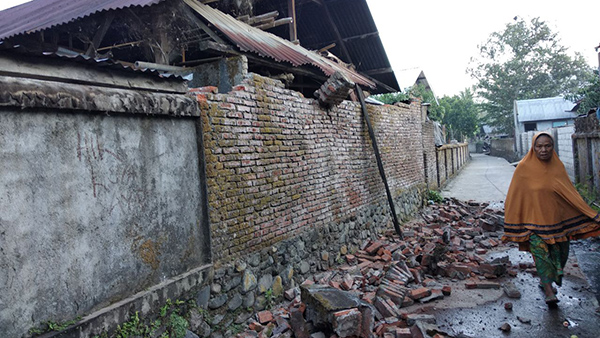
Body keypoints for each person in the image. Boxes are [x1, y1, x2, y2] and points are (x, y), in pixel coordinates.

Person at [502, 131, 600, 305]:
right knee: (541, 255)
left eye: (548, 146)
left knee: (561, 255)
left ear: (553, 147)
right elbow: (514, 197)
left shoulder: (558, 167)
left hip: (557, 225)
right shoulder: (523, 168)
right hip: (533, 225)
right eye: (539, 146)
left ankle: (545, 280)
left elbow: (570, 195)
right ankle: (548, 291)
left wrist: (591, 214)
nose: (543, 150)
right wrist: (515, 220)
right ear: (533, 147)